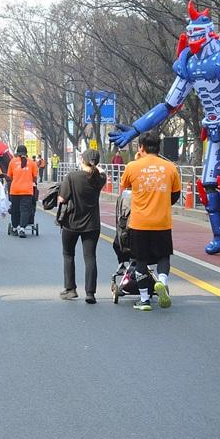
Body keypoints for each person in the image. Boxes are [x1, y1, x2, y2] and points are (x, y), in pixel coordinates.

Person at [118, 132, 181, 311]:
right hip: (162, 221)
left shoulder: (132, 167)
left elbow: (124, 191)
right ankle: (161, 281)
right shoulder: (170, 167)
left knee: (141, 260)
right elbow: (175, 194)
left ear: (141, 147)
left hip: (139, 223)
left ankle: (144, 300)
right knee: (163, 256)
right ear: (158, 147)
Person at [58, 148, 107, 303]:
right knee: (90, 256)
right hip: (92, 224)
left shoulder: (71, 177)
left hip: (71, 223)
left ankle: (70, 289)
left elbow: (61, 199)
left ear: (82, 160)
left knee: (68, 254)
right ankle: (90, 293)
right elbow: (102, 173)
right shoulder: (99, 179)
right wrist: (99, 168)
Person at [6, 146, 39, 237]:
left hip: (15, 190)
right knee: (25, 210)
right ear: (26, 153)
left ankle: (15, 228)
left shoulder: (12, 162)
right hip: (27, 191)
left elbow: (9, 176)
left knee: (15, 210)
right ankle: (22, 229)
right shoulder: (32, 163)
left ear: (17, 153)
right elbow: (35, 177)